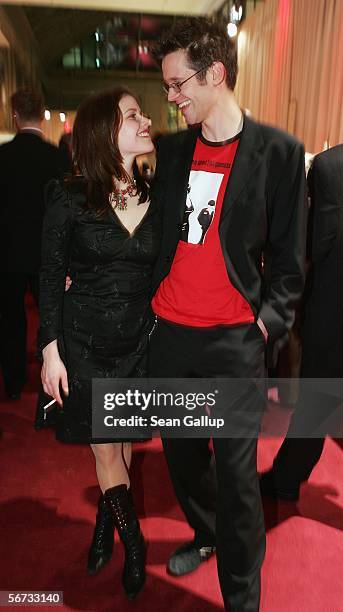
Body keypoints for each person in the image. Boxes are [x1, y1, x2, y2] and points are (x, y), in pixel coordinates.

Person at [149, 18, 307, 611]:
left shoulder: (279, 154)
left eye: (178, 83)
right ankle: (205, 530)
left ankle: (243, 598)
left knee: (241, 483)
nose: (171, 97)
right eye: (165, 86)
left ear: (216, 74)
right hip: (171, 338)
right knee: (184, 461)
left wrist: (266, 323)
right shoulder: (169, 151)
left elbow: (290, 260)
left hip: (234, 344)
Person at [39, 87, 159, 599]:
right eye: (133, 115)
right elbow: (49, 276)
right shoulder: (68, 196)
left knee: (122, 445)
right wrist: (49, 349)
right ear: (105, 132)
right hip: (84, 342)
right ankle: (136, 547)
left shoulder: (158, 193)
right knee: (107, 448)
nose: (146, 119)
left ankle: (102, 529)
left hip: (137, 341)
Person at [260, 143, 343, 502]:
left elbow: (315, 245)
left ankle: (287, 477)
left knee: (318, 396)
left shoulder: (329, 167)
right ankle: (288, 475)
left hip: (333, 306)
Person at [0, 88, 70, 399]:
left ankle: (13, 382)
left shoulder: (2, 157)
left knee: (10, 319)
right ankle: (52, 385)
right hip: (47, 254)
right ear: (41, 114)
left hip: (8, 253)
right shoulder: (57, 158)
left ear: (14, 115)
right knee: (50, 318)